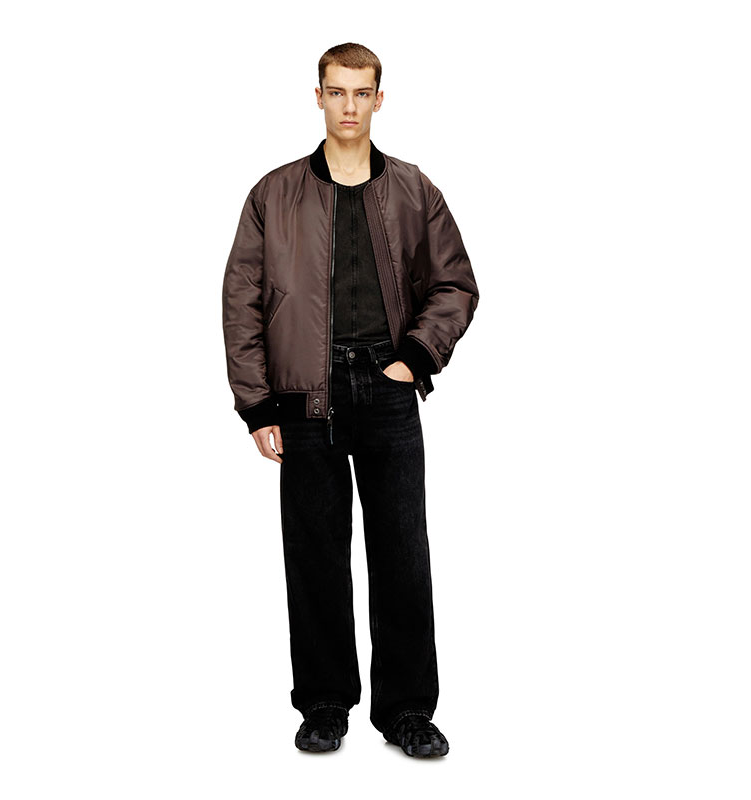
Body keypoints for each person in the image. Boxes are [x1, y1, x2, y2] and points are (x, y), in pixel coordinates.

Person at [222, 42, 478, 758]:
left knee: (403, 554)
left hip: (387, 390)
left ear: (379, 100)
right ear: (318, 97)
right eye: (336, 92)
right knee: (314, 556)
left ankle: (407, 710)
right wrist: (257, 405)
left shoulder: (413, 189)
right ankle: (324, 703)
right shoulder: (273, 194)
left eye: (361, 93)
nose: (349, 106)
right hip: (304, 394)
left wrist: (414, 358)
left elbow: (455, 283)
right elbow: (241, 300)